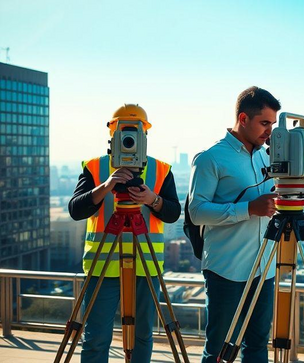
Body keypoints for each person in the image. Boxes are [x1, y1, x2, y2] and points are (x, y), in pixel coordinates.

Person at [68, 104, 181, 362]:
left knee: (143, 336)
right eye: (124, 132)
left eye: (135, 132)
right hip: (103, 266)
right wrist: (107, 185)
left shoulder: (162, 169)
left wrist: (153, 199)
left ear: (145, 135)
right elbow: (76, 209)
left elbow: (173, 213)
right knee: (96, 338)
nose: (129, 138)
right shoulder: (95, 167)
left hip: (145, 264)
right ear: (113, 134)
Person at [188, 86, 281, 363]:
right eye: (265, 123)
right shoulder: (210, 158)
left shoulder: (267, 156)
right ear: (243, 118)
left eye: (272, 124)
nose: (269, 131)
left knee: (257, 347)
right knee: (218, 351)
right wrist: (248, 209)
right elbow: (197, 211)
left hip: (262, 270)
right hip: (225, 270)